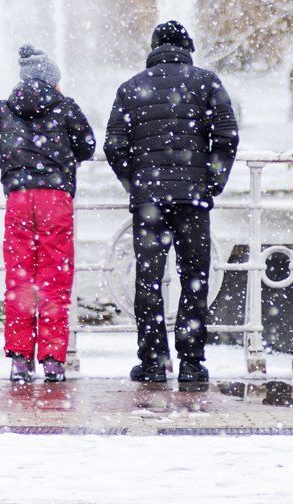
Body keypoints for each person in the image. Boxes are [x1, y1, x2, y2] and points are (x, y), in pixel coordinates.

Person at [104, 21, 239, 385]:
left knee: (147, 280)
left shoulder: (131, 88)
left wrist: (135, 183)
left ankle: (152, 362)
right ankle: (191, 362)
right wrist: (212, 181)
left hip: (149, 200)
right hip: (192, 198)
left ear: (154, 48)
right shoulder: (207, 82)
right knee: (194, 278)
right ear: (187, 48)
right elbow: (227, 135)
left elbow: (114, 145)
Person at [0, 44, 95, 383]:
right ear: (52, 80)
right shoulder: (65, 107)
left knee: (20, 277)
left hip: (19, 198)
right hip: (55, 199)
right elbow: (87, 146)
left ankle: (20, 360)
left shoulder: (6, 108)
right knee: (55, 279)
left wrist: (5, 146)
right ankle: (52, 360)